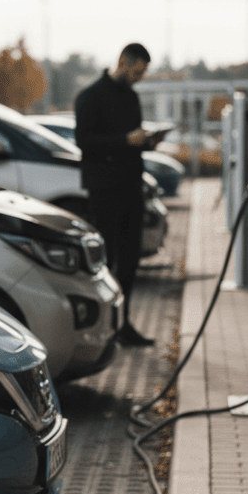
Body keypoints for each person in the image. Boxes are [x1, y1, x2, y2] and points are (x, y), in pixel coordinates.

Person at [74, 42, 164, 347]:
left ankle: (123, 324)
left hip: (130, 187)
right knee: (108, 259)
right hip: (104, 189)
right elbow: (85, 141)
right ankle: (106, 327)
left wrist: (147, 142)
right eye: (137, 71)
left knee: (129, 260)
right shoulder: (90, 96)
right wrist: (126, 139)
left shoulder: (132, 97)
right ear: (123, 62)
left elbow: (132, 140)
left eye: (143, 73)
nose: (139, 78)